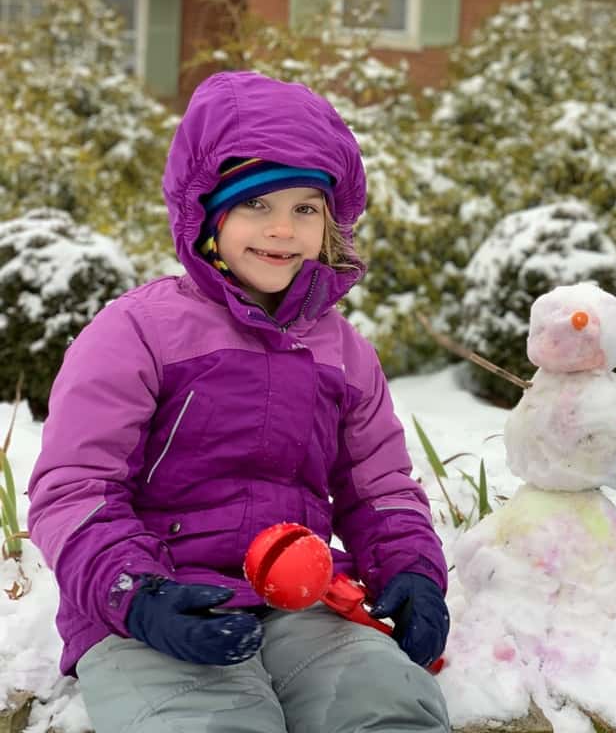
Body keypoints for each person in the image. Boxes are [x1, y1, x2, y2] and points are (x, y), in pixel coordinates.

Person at [28, 71, 451, 733]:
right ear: (206, 213)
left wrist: (414, 570)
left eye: (306, 208)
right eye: (256, 204)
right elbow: (75, 487)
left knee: (382, 700)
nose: (282, 229)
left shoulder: (342, 351)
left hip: (301, 600)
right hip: (154, 609)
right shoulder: (137, 331)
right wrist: (135, 593)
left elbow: (380, 489)